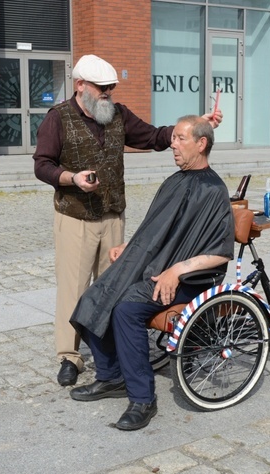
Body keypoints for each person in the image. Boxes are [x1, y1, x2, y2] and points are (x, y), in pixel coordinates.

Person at [33, 54, 222, 387]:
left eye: (111, 88)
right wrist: (71, 178)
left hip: (112, 215)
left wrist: (197, 127)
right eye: (102, 88)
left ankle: (115, 355)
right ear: (81, 86)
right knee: (74, 289)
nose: (108, 93)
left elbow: (153, 136)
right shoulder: (57, 119)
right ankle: (70, 357)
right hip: (75, 217)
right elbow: (42, 165)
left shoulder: (116, 115)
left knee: (115, 286)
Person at [68, 115, 235, 431]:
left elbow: (221, 251)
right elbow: (159, 229)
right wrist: (130, 246)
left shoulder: (214, 190)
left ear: (202, 144)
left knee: (126, 309)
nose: (172, 143)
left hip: (192, 278)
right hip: (160, 265)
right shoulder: (175, 181)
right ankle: (111, 375)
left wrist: (177, 270)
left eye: (180, 138)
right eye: (173, 138)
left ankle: (142, 399)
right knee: (93, 298)